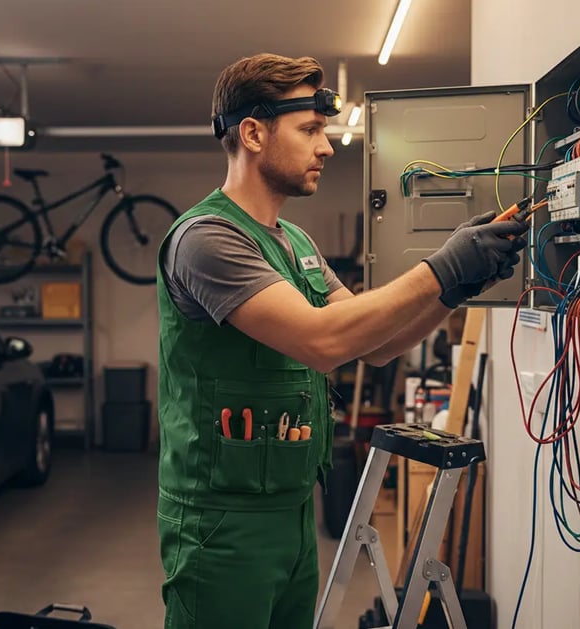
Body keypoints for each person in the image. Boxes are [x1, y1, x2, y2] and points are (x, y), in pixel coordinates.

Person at [156, 53, 528, 629]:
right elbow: (323, 341)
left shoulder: (295, 241)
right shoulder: (207, 239)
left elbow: (371, 343)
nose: (326, 147)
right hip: (220, 524)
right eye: (309, 130)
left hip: (292, 509)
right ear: (252, 133)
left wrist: (453, 290)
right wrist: (441, 266)